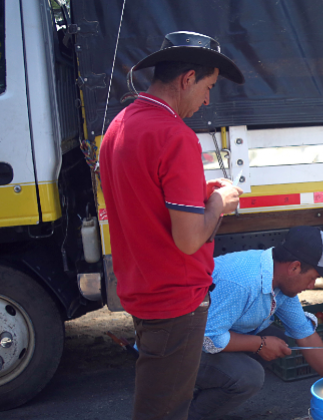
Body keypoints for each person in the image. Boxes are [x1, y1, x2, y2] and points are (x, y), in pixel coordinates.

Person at [99, 31, 245, 420]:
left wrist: (200, 194)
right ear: (187, 79)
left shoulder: (120, 125)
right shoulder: (175, 135)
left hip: (143, 288)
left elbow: (144, 202)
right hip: (174, 299)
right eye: (208, 87)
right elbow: (188, 239)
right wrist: (219, 202)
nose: (207, 99)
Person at [188, 226, 323, 420]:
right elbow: (208, 338)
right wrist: (259, 344)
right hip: (178, 346)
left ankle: (202, 394)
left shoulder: (279, 279)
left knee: (278, 339)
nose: (311, 286)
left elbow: (305, 333)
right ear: (294, 267)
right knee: (249, 376)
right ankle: (188, 414)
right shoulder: (244, 281)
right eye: (312, 279)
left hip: (206, 333)